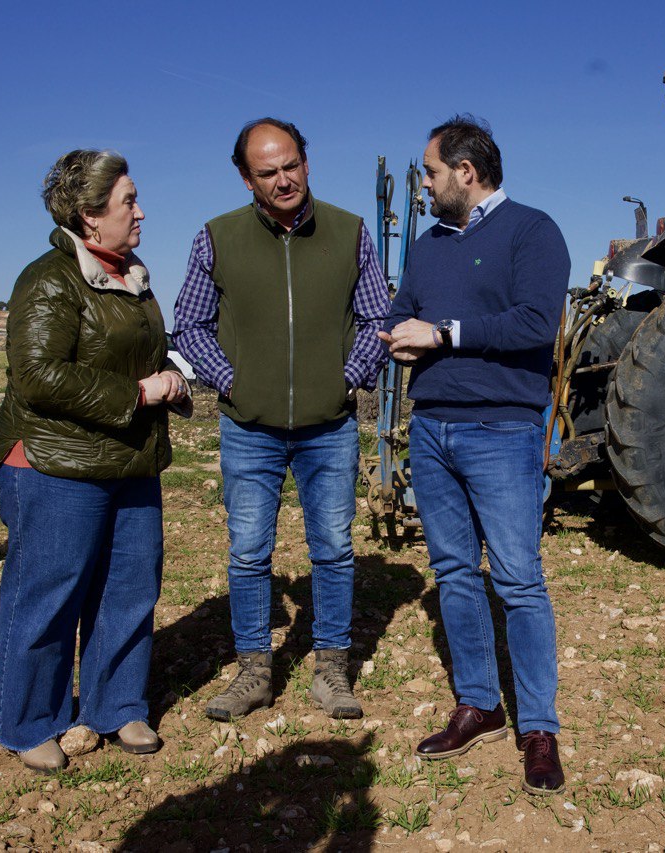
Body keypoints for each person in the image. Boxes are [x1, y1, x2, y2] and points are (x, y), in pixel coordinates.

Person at [174, 118, 389, 722]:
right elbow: (188, 324)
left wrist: (349, 378)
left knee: (334, 549)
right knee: (247, 553)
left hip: (330, 428)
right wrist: (230, 379)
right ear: (247, 179)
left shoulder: (348, 231)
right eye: (267, 172)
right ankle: (253, 673)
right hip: (250, 428)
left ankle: (331, 671)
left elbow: (377, 317)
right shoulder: (216, 238)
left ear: (306, 162)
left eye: (291, 164)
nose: (283, 179)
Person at [380, 115, 570, 795]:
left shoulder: (532, 231)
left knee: (518, 579)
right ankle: (481, 704)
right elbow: (407, 306)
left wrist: (443, 333)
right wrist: (394, 333)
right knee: (456, 573)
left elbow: (535, 322)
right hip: (431, 428)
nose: (425, 184)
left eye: (431, 172)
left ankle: (539, 727)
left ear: (466, 171)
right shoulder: (428, 245)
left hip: (501, 430)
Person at [0, 149, 188, 773]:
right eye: (129, 201)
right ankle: (25, 721)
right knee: (48, 592)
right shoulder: (49, 278)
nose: (141, 211)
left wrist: (170, 375)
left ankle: (117, 704)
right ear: (89, 216)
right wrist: (139, 393)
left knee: (130, 586)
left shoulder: (132, 275)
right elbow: (39, 376)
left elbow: (139, 352)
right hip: (54, 463)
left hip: (127, 460)